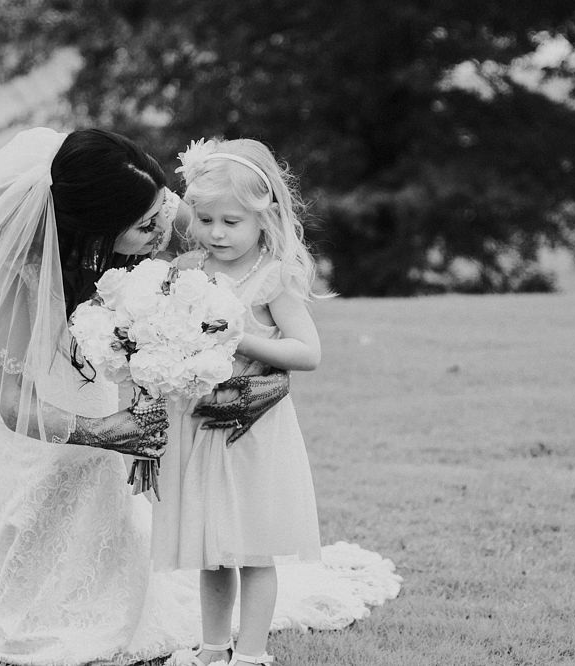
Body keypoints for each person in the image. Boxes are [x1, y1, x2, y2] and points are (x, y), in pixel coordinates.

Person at [0, 127, 291, 665]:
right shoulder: (17, 270)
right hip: (28, 369)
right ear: (92, 233)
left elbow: (257, 251)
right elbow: (13, 403)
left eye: (163, 211)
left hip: (98, 347)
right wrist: (104, 432)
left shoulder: (146, 201)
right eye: (144, 227)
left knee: (117, 497)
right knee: (57, 483)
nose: (166, 229)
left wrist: (273, 370)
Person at [151, 138, 355, 666]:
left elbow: (306, 352)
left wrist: (241, 337)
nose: (216, 233)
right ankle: (213, 648)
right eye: (205, 218)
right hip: (202, 425)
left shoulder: (273, 277)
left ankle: (252, 653)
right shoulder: (189, 268)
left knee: (254, 550)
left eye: (231, 222)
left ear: (264, 218)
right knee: (212, 552)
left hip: (255, 429)